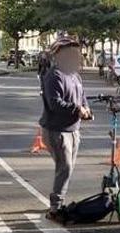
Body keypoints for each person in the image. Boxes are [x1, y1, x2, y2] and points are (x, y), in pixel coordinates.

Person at [39, 36, 92, 222]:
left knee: (66, 168)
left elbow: (82, 96)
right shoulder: (54, 76)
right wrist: (77, 110)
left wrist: (86, 109)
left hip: (73, 129)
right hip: (56, 130)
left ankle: (58, 200)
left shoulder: (74, 75)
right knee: (65, 167)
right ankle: (56, 207)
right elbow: (55, 104)